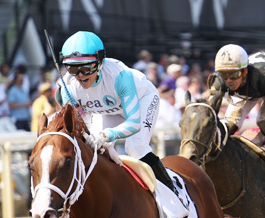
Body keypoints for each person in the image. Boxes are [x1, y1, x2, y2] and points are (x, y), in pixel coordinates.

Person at [56, 31, 178, 195]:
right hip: (108, 111)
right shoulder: (68, 88)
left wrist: (107, 136)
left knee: (135, 147)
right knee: (96, 151)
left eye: (86, 67)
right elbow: (79, 128)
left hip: (142, 100)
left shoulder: (120, 76)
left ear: (100, 62)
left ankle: (172, 193)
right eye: (72, 68)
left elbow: (134, 123)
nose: (79, 75)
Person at [209, 44, 265, 190]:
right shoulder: (219, 80)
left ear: (244, 72)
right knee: (228, 125)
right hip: (248, 89)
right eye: (224, 76)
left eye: (234, 75)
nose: (230, 81)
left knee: (264, 122)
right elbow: (211, 115)